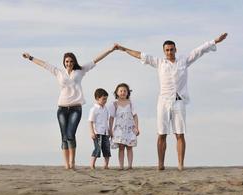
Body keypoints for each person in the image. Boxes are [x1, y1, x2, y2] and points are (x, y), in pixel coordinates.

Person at [115, 33, 228, 170]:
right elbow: (141, 55)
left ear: (176, 49)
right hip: (163, 101)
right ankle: (161, 164)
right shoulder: (160, 63)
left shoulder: (183, 60)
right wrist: (124, 49)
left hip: (179, 101)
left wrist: (215, 41)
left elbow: (199, 50)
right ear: (164, 51)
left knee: (180, 134)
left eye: (171, 49)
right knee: (162, 133)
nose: (169, 52)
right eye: (167, 50)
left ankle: (180, 164)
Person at [22, 45, 116, 169]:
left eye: (71, 61)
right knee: (64, 136)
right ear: (64, 62)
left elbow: (95, 60)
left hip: (76, 108)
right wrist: (30, 57)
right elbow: (44, 64)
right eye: (67, 61)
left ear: (74, 62)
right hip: (61, 108)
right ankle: (67, 164)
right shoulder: (58, 72)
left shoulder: (80, 70)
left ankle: (72, 162)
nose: (69, 63)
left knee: (70, 134)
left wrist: (110, 49)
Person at [109, 83, 140, 170]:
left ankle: (130, 165)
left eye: (124, 91)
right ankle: (121, 166)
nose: (123, 92)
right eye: (121, 91)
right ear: (117, 92)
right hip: (119, 129)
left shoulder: (130, 103)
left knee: (129, 147)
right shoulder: (114, 104)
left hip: (130, 128)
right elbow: (111, 118)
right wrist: (110, 129)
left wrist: (137, 127)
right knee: (121, 148)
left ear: (127, 93)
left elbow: (135, 116)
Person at [88, 88, 111, 169]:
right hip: (97, 133)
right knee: (98, 148)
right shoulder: (93, 109)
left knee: (107, 149)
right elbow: (90, 122)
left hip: (105, 133)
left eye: (106, 99)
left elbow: (107, 121)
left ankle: (106, 165)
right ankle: (92, 165)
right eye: (103, 99)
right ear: (97, 98)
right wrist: (92, 132)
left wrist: (109, 130)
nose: (105, 101)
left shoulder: (106, 109)